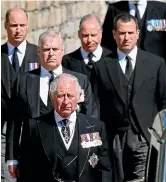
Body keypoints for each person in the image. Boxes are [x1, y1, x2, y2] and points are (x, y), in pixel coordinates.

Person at [96, 13, 166, 181]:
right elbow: (96, 105)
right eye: (122, 33)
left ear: (138, 34)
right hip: (114, 138)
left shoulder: (156, 63)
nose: (126, 37)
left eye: (131, 33)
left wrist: (165, 138)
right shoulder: (101, 67)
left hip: (145, 136)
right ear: (114, 34)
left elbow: (165, 103)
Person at [6, 30, 98, 168]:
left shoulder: (80, 80)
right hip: (33, 155)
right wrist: (12, 158)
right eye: (46, 49)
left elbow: (91, 117)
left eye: (55, 49)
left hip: (71, 156)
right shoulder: (23, 80)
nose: (51, 53)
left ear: (62, 51)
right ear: (39, 52)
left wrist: (92, 153)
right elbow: (14, 119)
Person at [8, 73, 111, 182]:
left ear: (78, 97)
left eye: (70, 95)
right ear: (52, 98)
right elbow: (26, 169)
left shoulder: (95, 127)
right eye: (61, 96)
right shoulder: (34, 127)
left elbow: (104, 168)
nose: (66, 101)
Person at [101, 0, 166, 98]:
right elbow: (106, 44)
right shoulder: (115, 9)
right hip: (124, 72)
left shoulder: (162, 9)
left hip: (154, 74)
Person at [1, 7, 40, 182]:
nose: (18, 30)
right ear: (5, 26)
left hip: (30, 132)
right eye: (14, 25)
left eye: (22, 25)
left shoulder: (40, 55)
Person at [62, 14, 112, 114]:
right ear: (79, 34)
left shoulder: (113, 59)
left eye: (93, 35)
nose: (89, 40)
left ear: (101, 34)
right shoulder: (68, 61)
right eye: (85, 35)